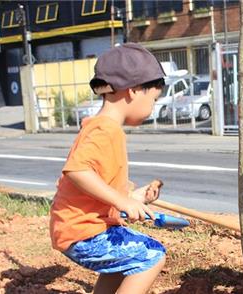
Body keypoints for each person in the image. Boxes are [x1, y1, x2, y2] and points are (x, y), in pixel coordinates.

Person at [49, 43, 168, 294]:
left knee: (121, 264)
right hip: (84, 232)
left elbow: (99, 187)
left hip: (82, 229)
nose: (152, 108)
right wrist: (122, 203)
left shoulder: (101, 127)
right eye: (153, 100)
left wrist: (134, 198)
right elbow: (77, 170)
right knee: (152, 255)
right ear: (134, 90)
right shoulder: (105, 129)